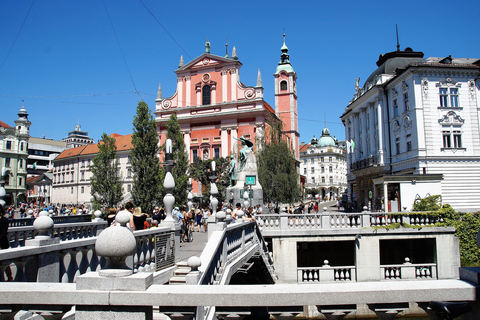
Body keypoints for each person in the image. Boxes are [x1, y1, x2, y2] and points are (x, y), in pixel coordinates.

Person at [0, 204, 13, 281]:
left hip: (2, 243)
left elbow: (3, 233)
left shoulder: (4, 220)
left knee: (4, 262)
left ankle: (9, 276)